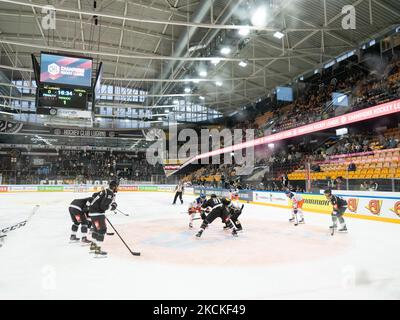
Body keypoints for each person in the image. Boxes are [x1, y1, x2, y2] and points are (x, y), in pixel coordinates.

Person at [88, 180, 119, 256]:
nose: (117, 188)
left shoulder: (105, 191)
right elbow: (103, 206)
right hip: (97, 213)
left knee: (96, 230)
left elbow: (94, 195)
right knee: (102, 230)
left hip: (92, 212)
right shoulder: (109, 193)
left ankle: (93, 246)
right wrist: (111, 206)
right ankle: (98, 250)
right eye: (117, 187)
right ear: (114, 186)